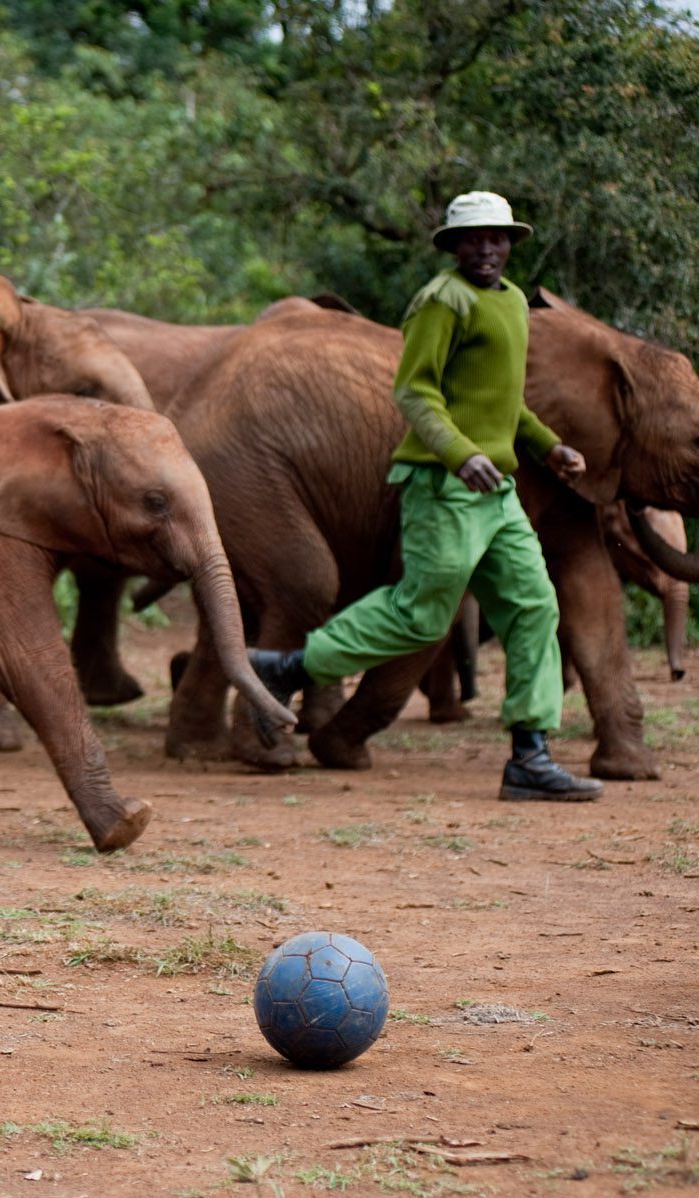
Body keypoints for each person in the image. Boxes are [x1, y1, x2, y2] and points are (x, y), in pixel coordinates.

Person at [249, 191, 603, 801]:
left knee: (534, 606)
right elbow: (415, 393)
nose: (486, 249)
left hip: (499, 492)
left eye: (496, 238)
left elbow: (503, 399)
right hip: (445, 486)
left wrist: (549, 448)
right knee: (421, 614)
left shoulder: (514, 302)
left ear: (511, 243)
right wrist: (458, 454)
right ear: (453, 246)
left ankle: (529, 755)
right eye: (472, 239)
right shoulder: (442, 302)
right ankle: (287, 669)